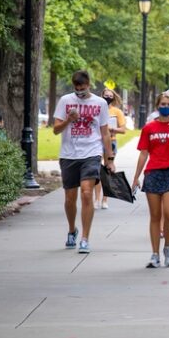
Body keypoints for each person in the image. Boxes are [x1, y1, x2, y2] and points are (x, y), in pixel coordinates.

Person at [53, 70, 115, 254]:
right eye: (76, 88)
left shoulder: (100, 103)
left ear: (89, 84)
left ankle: (85, 239)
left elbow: (105, 133)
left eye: (83, 87)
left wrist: (109, 159)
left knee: (87, 193)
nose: (80, 91)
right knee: (70, 198)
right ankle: (72, 229)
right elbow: (56, 130)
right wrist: (68, 120)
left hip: (91, 153)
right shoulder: (65, 101)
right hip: (69, 154)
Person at [132, 93, 169, 268]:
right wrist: (136, 177)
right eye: (162, 103)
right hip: (153, 173)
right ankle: (155, 254)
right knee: (155, 216)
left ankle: (168, 248)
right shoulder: (149, 128)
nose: (166, 106)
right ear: (157, 106)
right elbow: (143, 153)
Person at [94, 88, 126, 210]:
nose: (107, 97)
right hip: (97, 141)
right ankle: (96, 198)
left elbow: (123, 129)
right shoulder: (97, 109)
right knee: (96, 170)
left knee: (107, 170)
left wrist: (112, 129)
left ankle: (105, 199)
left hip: (111, 142)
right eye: (105, 95)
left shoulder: (117, 112)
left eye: (110, 96)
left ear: (113, 97)